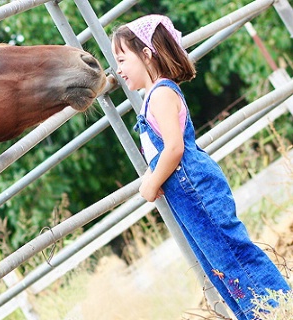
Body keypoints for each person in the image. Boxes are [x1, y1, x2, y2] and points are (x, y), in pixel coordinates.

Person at [111, 14, 290, 320]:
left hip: (195, 188)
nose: (117, 69)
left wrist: (152, 182)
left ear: (146, 54)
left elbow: (174, 147)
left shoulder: (162, 94)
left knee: (233, 254)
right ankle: (257, 314)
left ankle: (279, 308)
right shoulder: (152, 97)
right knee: (219, 266)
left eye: (122, 59)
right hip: (188, 195)